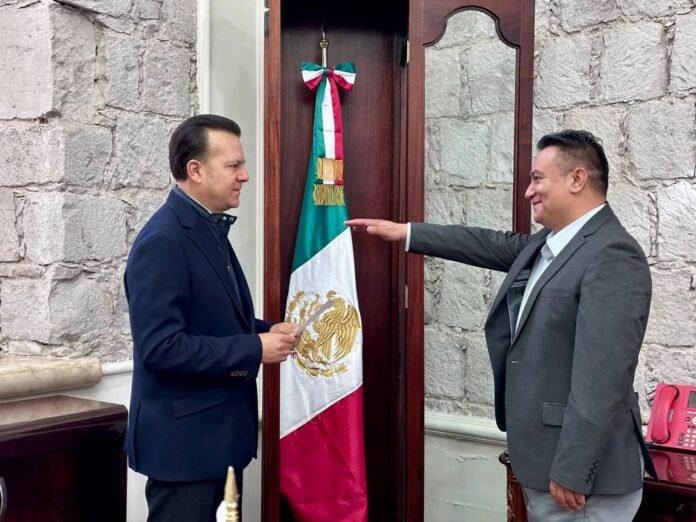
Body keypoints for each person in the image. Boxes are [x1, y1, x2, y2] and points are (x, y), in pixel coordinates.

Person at [347, 130, 656, 521]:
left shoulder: (612, 253)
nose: (529, 191)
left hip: (581, 482)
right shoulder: (550, 244)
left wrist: (575, 468)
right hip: (545, 465)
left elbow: (603, 376)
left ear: (577, 179)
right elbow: (486, 243)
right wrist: (407, 233)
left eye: (537, 179)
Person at [124, 114, 299, 522]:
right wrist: (254, 348)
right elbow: (161, 348)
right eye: (233, 165)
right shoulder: (162, 241)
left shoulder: (207, 228)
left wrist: (266, 330)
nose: (245, 175)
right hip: (186, 453)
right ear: (195, 170)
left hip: (217, 444)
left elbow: (213, 320)